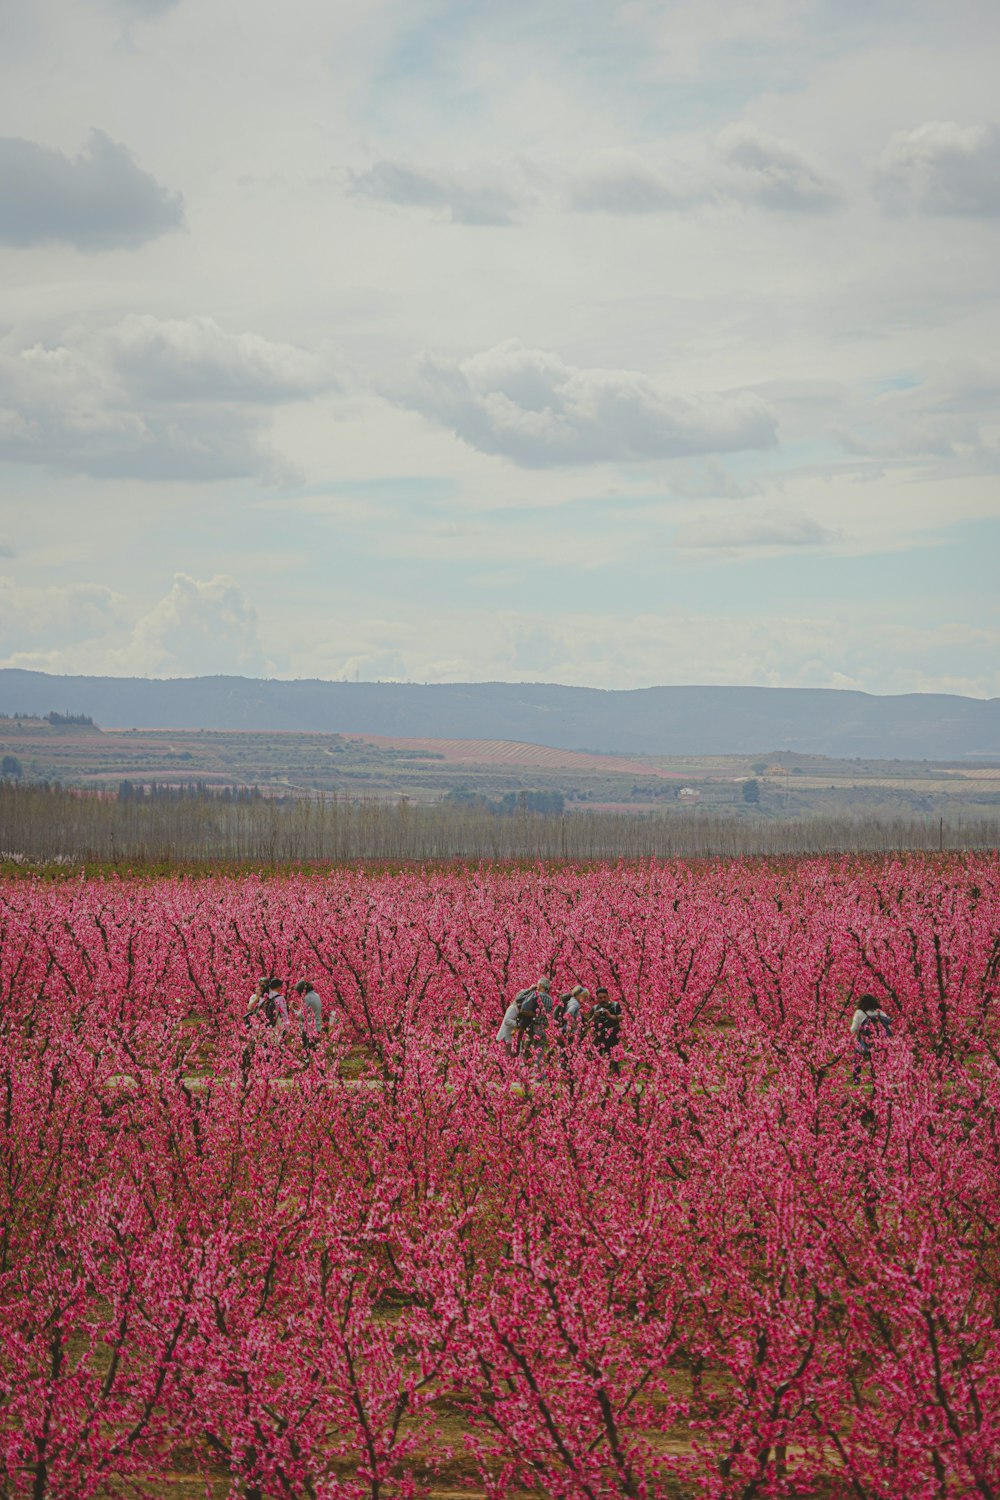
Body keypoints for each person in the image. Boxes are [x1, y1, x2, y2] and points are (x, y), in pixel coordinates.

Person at [850, 994, 891, 1083]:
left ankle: (856, 1079)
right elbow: (888, 1024)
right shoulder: (880, 1012)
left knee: (856, 1057)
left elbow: (853, 1029)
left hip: (864, 1042)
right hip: (879, 1042)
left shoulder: (860, 1012)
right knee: (877, 1059)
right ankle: (878, 1077)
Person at [591, 987, 622, 1071]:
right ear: (597, 998)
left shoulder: (615, 1005)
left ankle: (615, 1076)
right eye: (600, 998)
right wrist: (594, 1017)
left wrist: (610, 1016)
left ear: (608, 996)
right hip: (598, 1037)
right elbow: (588, 1023)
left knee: (613, 1059)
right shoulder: (594, 1008)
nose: (603, 999)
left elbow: (621, 1017)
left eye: (604, 997)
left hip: (613, 1037)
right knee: (596, 1059)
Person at [295, 979, 323, 1049]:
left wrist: (293, 1010)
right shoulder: (317, 995)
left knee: (307, 1052)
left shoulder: (307, 998)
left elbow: (301, 1015)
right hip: (317, 1026)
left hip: (309, 1029)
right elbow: (310, 1011)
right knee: (315, 1051)